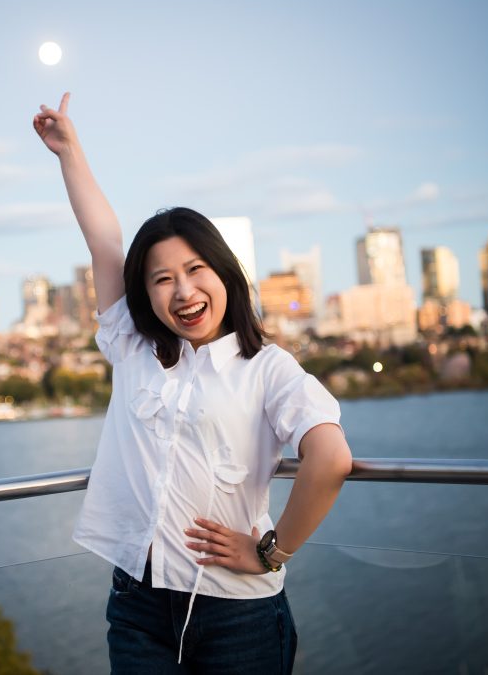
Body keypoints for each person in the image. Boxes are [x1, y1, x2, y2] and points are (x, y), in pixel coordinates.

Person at [33, 92, 353, 674]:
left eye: (194, 270)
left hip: (239, 616)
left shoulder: (268, 367)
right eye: (161, 280)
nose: (182, 292)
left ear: (223, 272)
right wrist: (69, 153)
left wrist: (272, 552)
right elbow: (105, 242)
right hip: (137, 607)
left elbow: (330, 459)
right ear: (145, 294)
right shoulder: (134, 347)